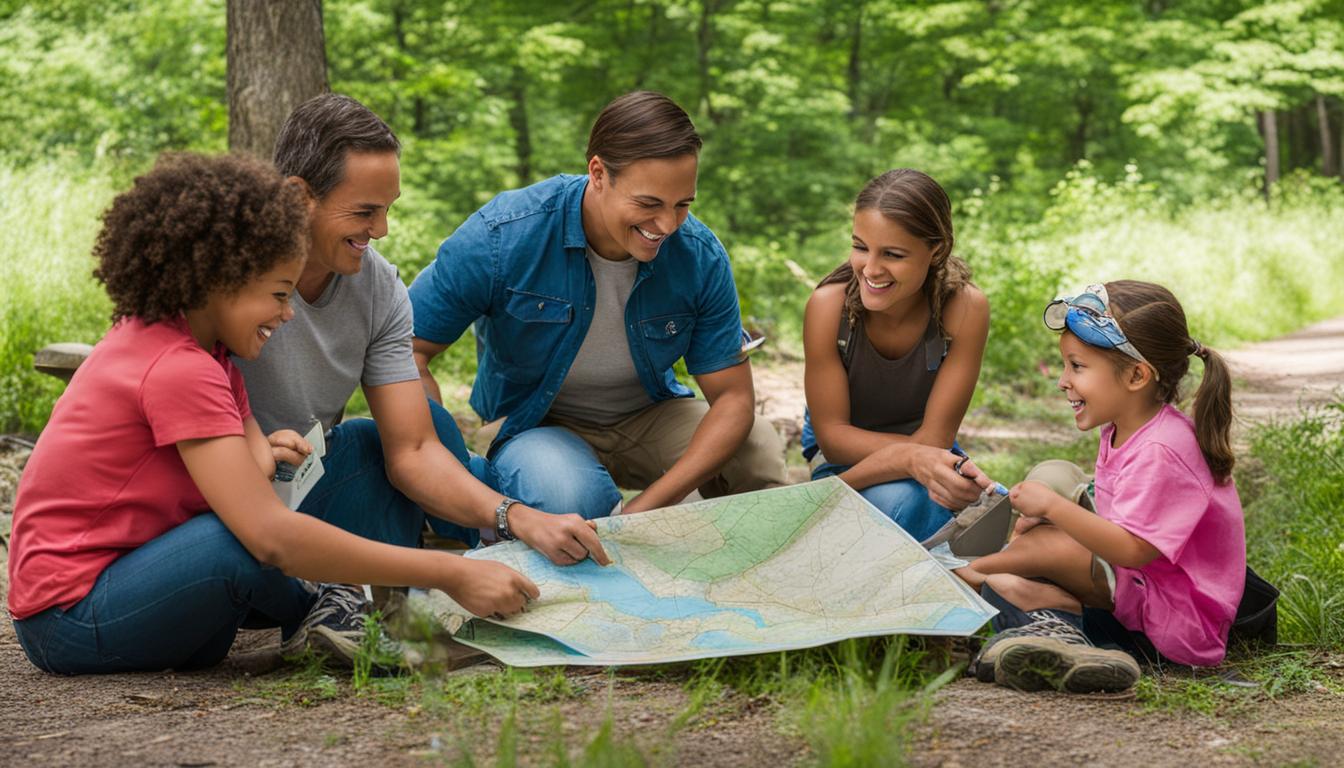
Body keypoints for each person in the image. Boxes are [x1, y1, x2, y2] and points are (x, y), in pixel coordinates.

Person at [6, 154, 539, 675]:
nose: (287, 315)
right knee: (239, 538)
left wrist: (264, 450)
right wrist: (446, 572)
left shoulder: (212, 356)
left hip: (151, 586)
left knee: (334, 463)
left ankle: (350, 607)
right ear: (219, 281)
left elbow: (253, 460)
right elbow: (267, 534)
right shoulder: (175, 366)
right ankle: (332, 607)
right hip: (69, 619)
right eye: (279, 295)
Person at [233, 94, 610, 663]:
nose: (381, 229)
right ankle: (375, 589)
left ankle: (411, 586)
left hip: (302, 495)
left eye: (388, 208)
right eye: (364, 212)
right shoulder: (221, 274)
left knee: (403, 431)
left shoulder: (378, 288)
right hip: (220, 503)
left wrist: (514, 516)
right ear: (297, 197)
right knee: (383, 449)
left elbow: (411, 449)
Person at [408, 91, 787, 518]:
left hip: (649, 413)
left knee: (757, 447)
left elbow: (734, 400)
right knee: (569, 498)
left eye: (682, 205)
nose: (666, 225)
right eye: (648, 204)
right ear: (598, 172)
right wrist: (443, 463)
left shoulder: (699, 255)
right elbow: (409, 351)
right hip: (536, 424)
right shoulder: (502, 236)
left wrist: (645, 507)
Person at [963, 280, 1246, 693]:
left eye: (1077, 367)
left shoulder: (1165, 449)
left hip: (1174, 626)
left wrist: (1056, 513)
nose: (1062, 380)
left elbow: (1131, 549)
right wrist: (1050, 511)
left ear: (1136, 375)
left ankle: (958, 579)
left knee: (1043, 547)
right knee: (1048, 500)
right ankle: (1057, 629)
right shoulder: (1127, 429)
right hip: (1145, 593)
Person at [801, 169, 993, 541]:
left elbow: (936, 438)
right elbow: (834, 438)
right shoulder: (828, 308)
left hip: (932, 453)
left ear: (936, 249)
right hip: (845, 463)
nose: (871, 269)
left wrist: (925, 460)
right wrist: (910, 457)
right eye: (860, 247)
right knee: (902, 505)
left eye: (893, 254)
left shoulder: (964, 308)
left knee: (933, 509)